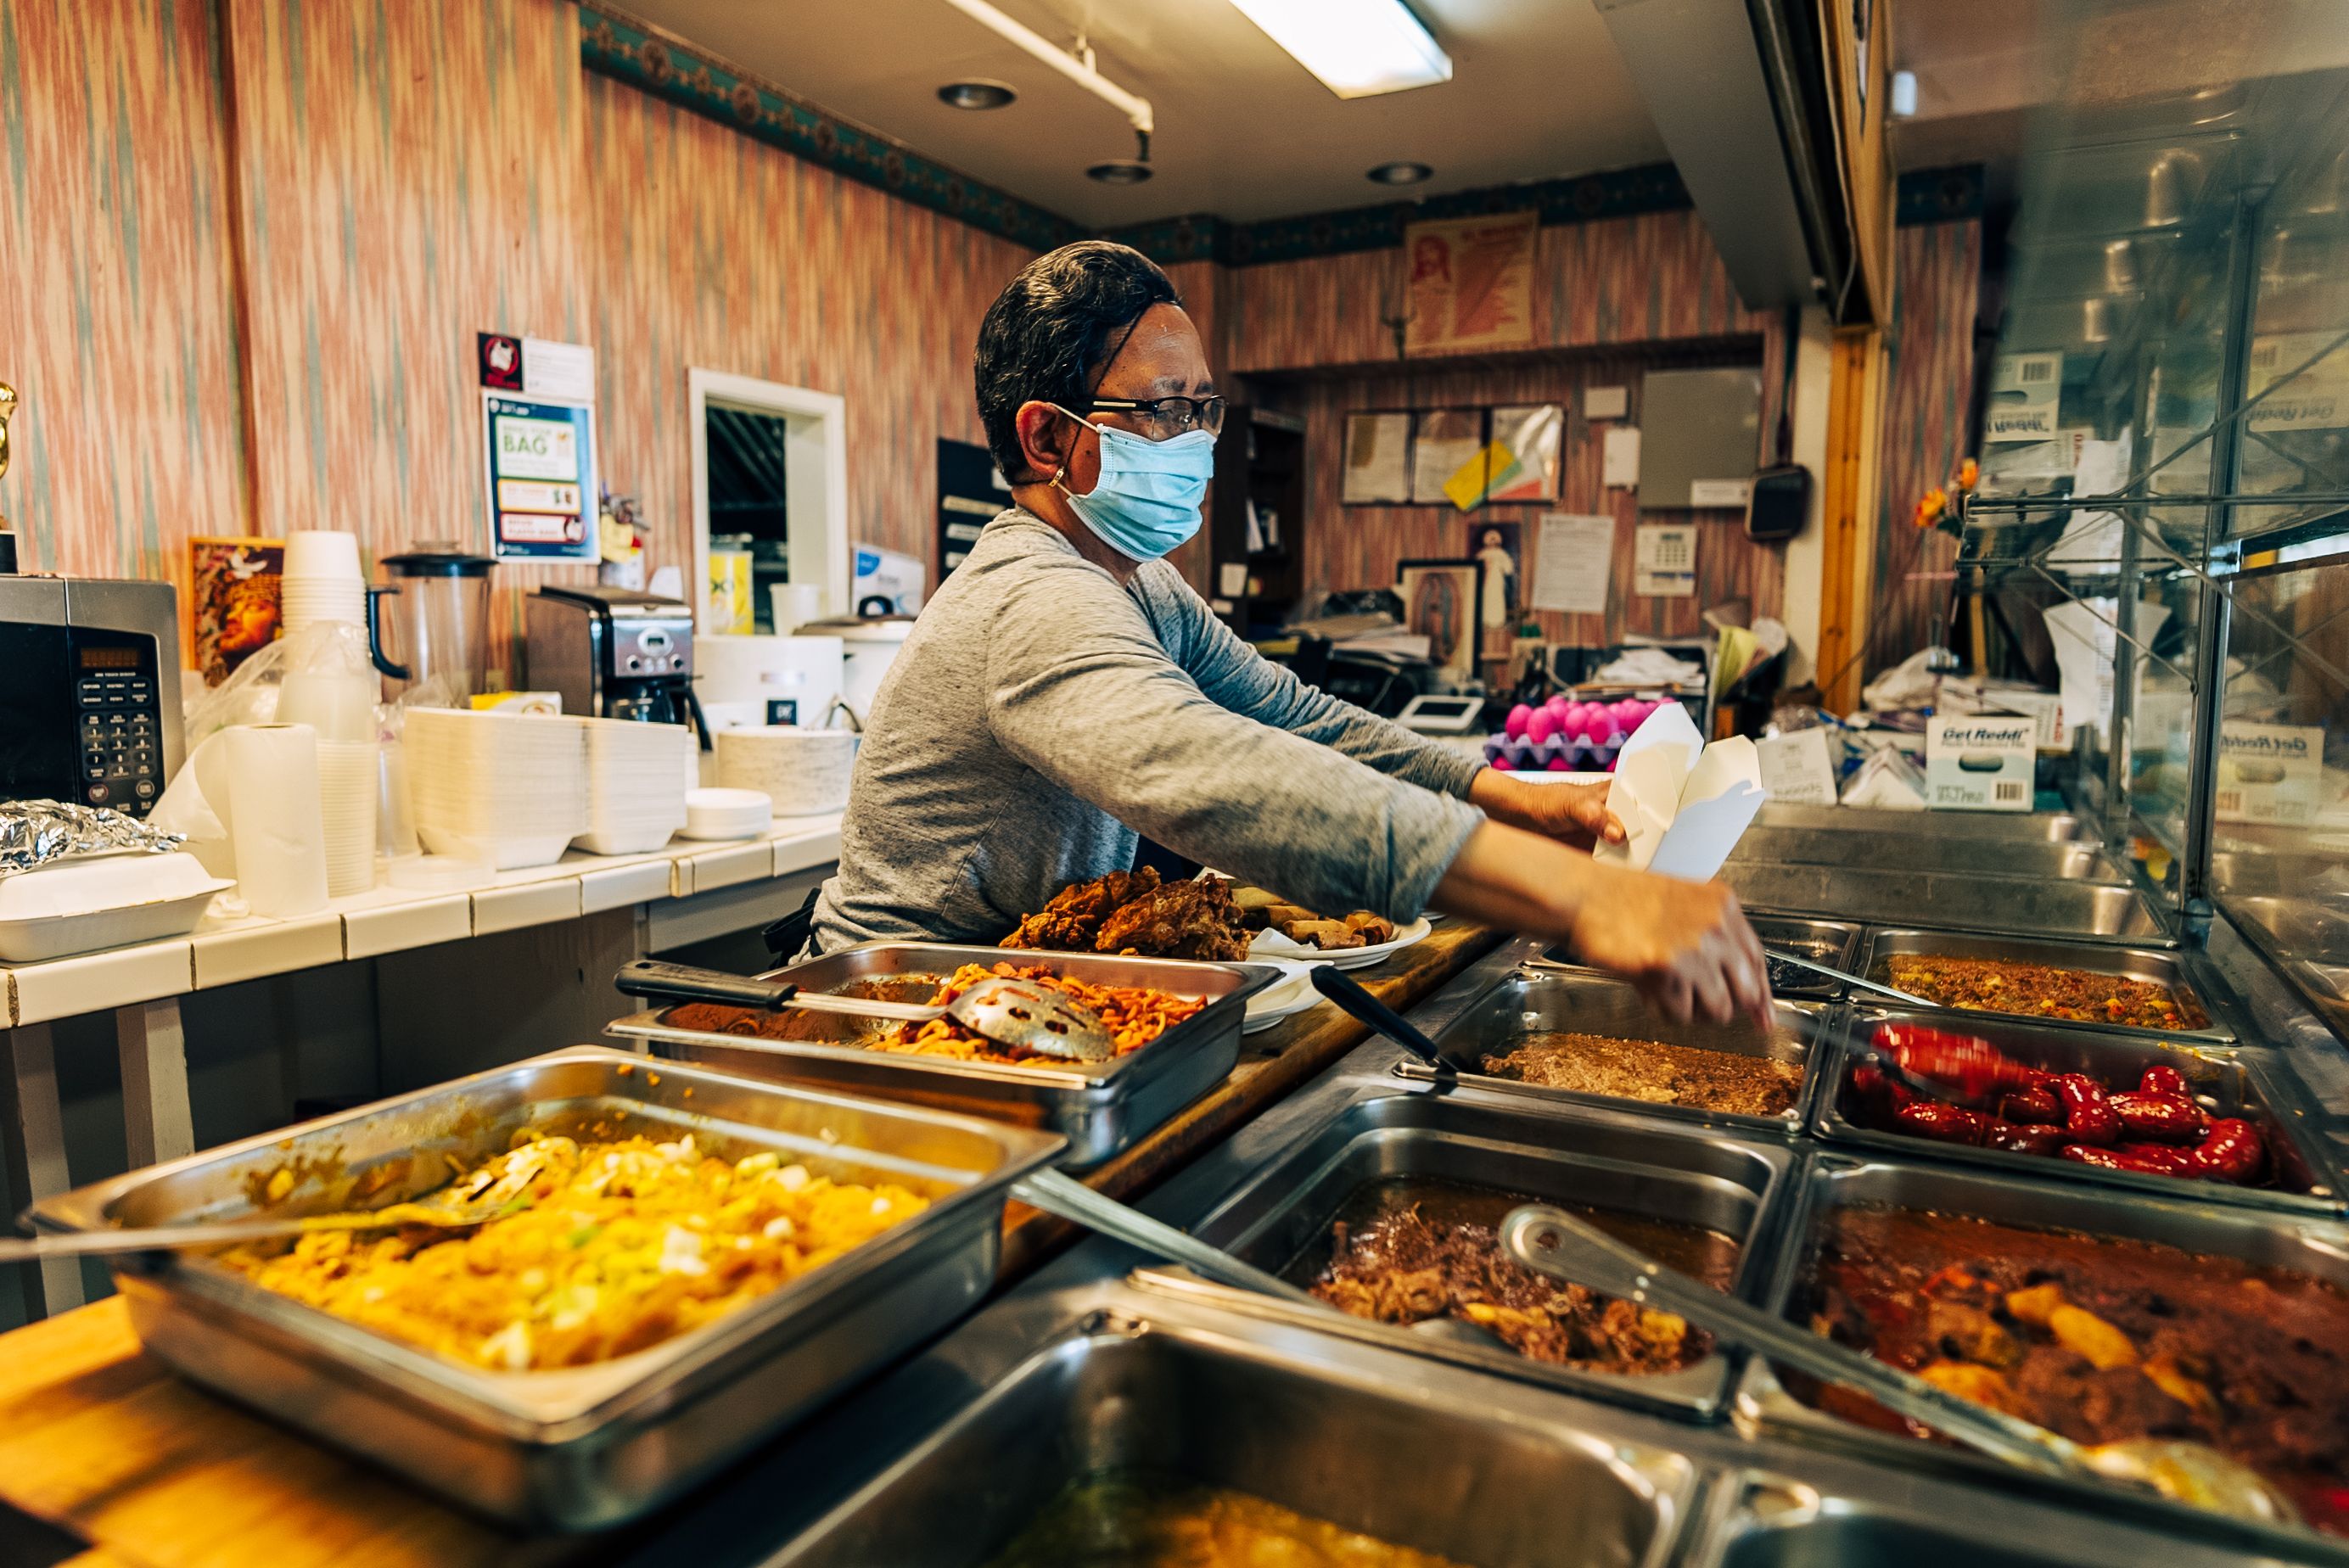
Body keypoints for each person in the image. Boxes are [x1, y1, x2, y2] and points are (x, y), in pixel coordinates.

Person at [810, 242, 1765, 1022]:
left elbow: (1297, 721)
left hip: (1010, 1004)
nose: (1195, 439)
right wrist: (1582, 897)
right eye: (1162, 410)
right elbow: (1214, 771)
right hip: (893, 1020)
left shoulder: (1142, 586)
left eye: (1202, 409)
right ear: (1047, 439)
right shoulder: (1032, 597)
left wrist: (1509, 796)